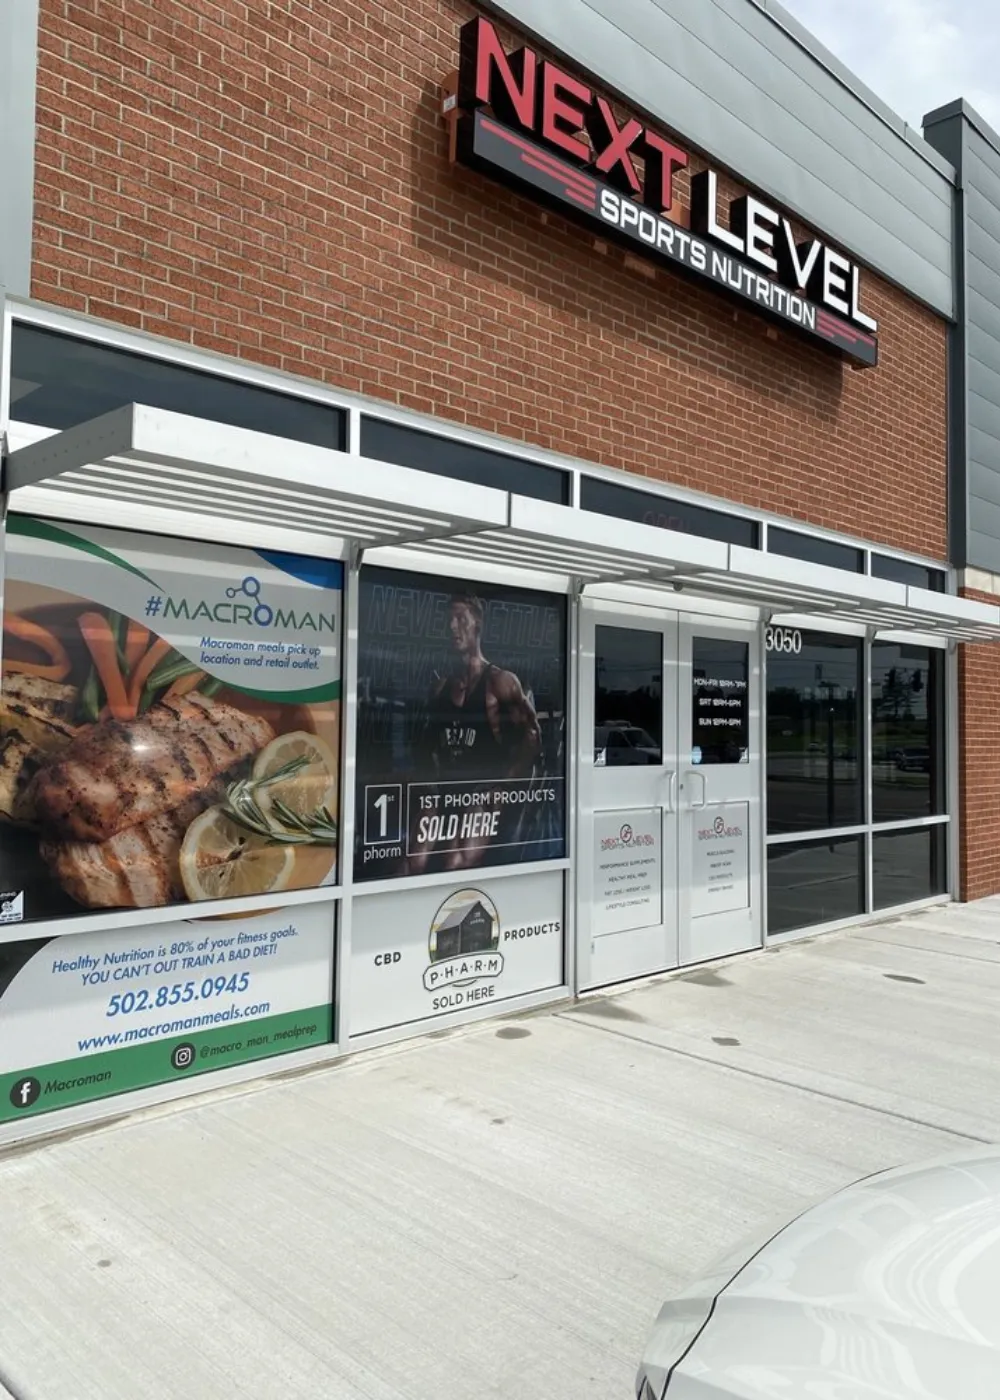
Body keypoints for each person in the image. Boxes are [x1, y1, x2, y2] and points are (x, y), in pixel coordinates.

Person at [408, 593, 541, 873]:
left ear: (477, 624)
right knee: (413, 860)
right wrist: (427, 786)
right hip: (447, 789)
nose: (452, 627)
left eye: (460, 619)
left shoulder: (500, 682)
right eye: (449, 621)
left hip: (483, 790)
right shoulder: (441, 688)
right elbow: (425, 746)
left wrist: (504, 786)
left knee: (455, 860)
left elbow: (532, 735)